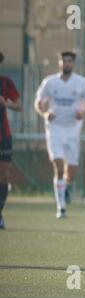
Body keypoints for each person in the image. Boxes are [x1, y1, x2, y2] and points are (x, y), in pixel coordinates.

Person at [35, 51, 85, 219]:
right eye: (64, 61)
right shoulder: (50, 82)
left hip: (73, 130)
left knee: (71, 171)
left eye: (69, 61)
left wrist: (84, 112)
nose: (66, 63)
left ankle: (65, 187)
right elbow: (38, 103)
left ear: (73, 63)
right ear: (59, 63)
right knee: (59, 167)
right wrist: (45, 113)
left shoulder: (81, 82)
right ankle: (61, 207)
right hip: (54, 130)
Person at [0, 51, 22, 229]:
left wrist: (6, 103)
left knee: (3, 175)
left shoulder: (5, 83)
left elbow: (19, 105)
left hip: (3, 136)